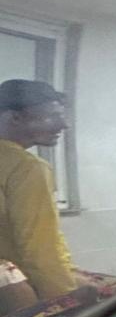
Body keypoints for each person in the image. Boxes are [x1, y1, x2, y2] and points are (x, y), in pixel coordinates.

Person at [0, 79, 77, 302]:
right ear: (15, 117)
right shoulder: (26, 168)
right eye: (52, 116)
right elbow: (40, 251)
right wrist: (67, 302)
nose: (64, 124)